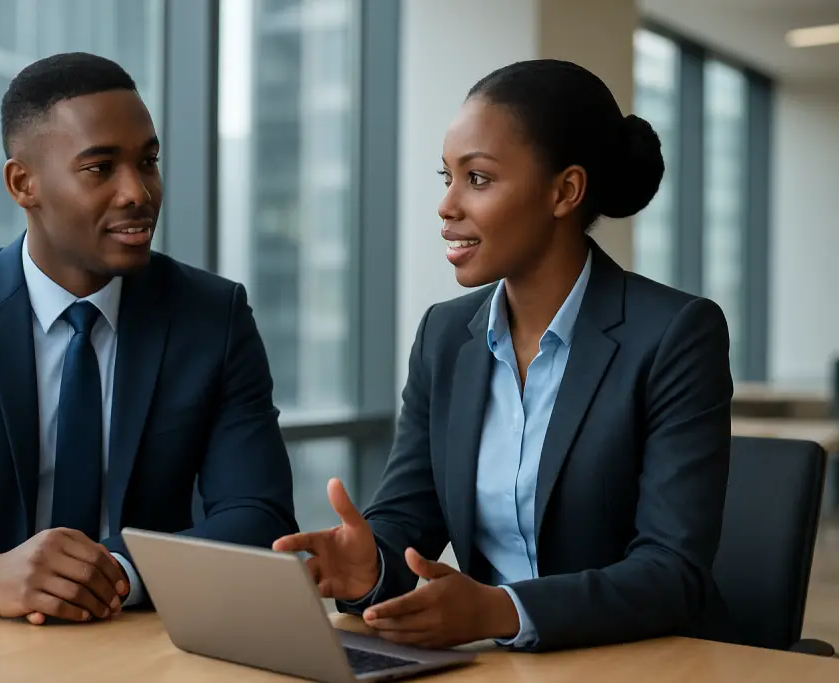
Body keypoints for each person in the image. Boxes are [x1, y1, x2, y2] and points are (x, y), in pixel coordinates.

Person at [0, 52, 297, 623]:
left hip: (144, 645)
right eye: (101, 168)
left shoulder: (212, 316)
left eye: (148, 162)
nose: (138, 192)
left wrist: (109, 575)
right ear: (24, 184)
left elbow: (260, 516)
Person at [274, 59, 735, 652]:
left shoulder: (675, 333)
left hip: (644, 662)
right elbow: (405, 520)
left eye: (479, 179)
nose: (446, 205)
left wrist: (501, 610)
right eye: (447, 176)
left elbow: (673, 573)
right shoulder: (445, 337)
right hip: (501, 664)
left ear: (564, 191)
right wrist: (368, 567)